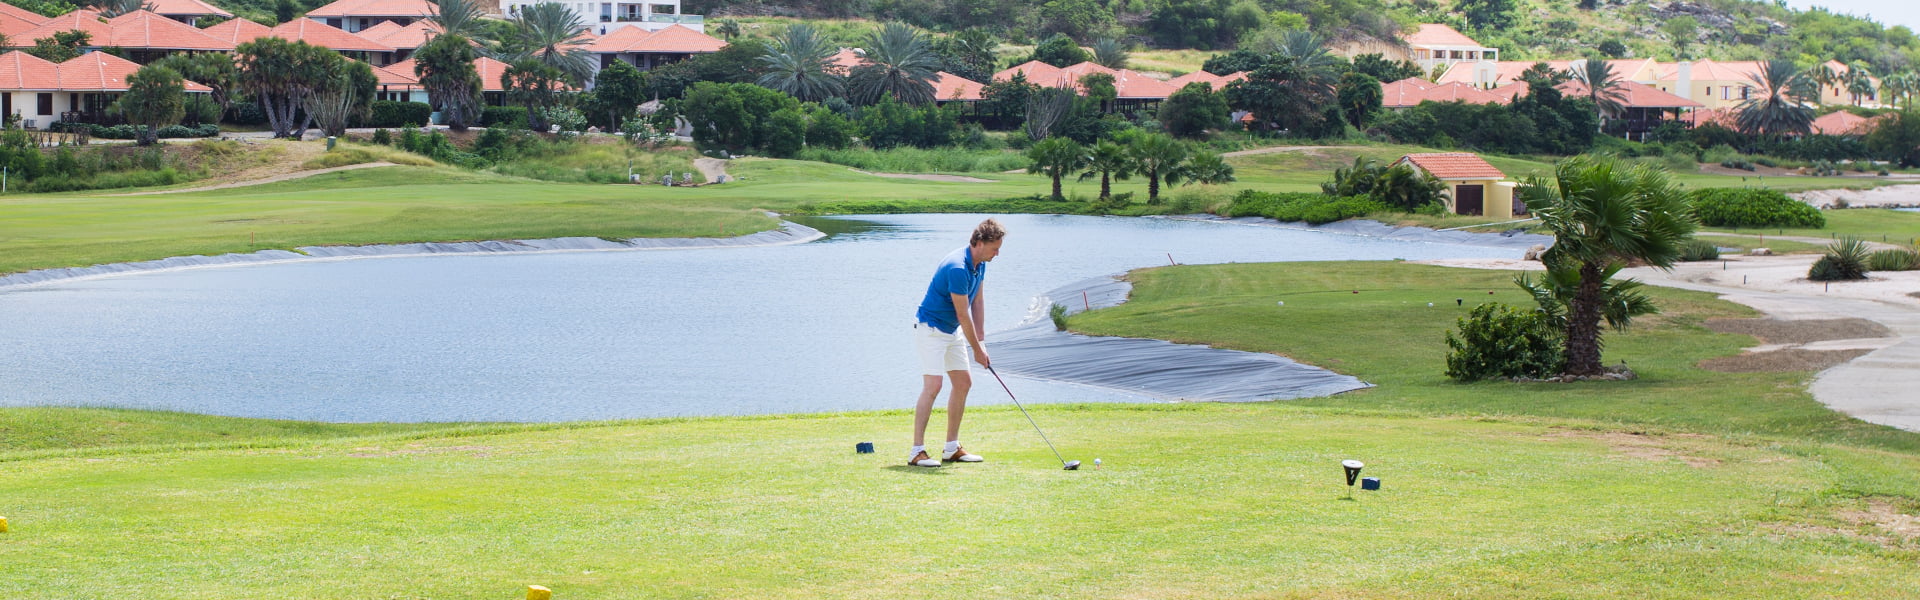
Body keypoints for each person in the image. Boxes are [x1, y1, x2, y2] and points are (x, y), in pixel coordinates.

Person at [907, 219, 1004, 467]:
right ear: (980, 243)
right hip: (931, 328)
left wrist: (981, 342)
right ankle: (917, 451)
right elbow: (964, 314)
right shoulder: (958, 268)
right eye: (994, 248)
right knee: (933, 386)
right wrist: (977, 351)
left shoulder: (980, 264)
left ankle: (951, 448)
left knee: (963, 382)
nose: (997, 253)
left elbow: (978, 302)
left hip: (951, 331)